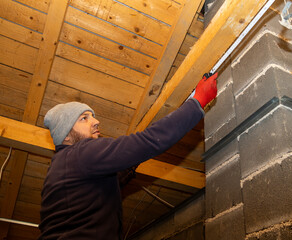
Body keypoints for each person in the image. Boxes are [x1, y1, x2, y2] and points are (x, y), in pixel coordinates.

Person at [39, 73, 218, 239]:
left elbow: (112, 178)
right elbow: (146, 142)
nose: (95, 121)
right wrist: (196, 102)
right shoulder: (79, 153)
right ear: (66, 136)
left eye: (92, 117)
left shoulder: (65, 166)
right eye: (84, 118)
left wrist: (133, 159)